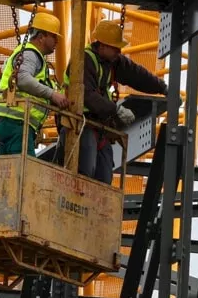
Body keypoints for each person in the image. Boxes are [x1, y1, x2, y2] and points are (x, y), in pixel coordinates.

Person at [62, 19, 168, 184]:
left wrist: (162, 87)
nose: (119, 51)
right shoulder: (83, 61)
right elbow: (87, 95)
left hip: (98, 125)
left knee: (105, 174)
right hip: (79, 122)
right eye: (115, 47)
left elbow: (136, 74)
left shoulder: (112, 61)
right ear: (102, 45)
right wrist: (115, 110)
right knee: (86, 169)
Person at [0, 13, 69, 156]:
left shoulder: (27, 53)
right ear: (41, 37)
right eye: (53, 36)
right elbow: (22, 79)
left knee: (9, 171)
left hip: (8, 121)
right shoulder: (31, 54)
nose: (57, 41)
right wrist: (53, 95)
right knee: (25, 172)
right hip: (17, 121)